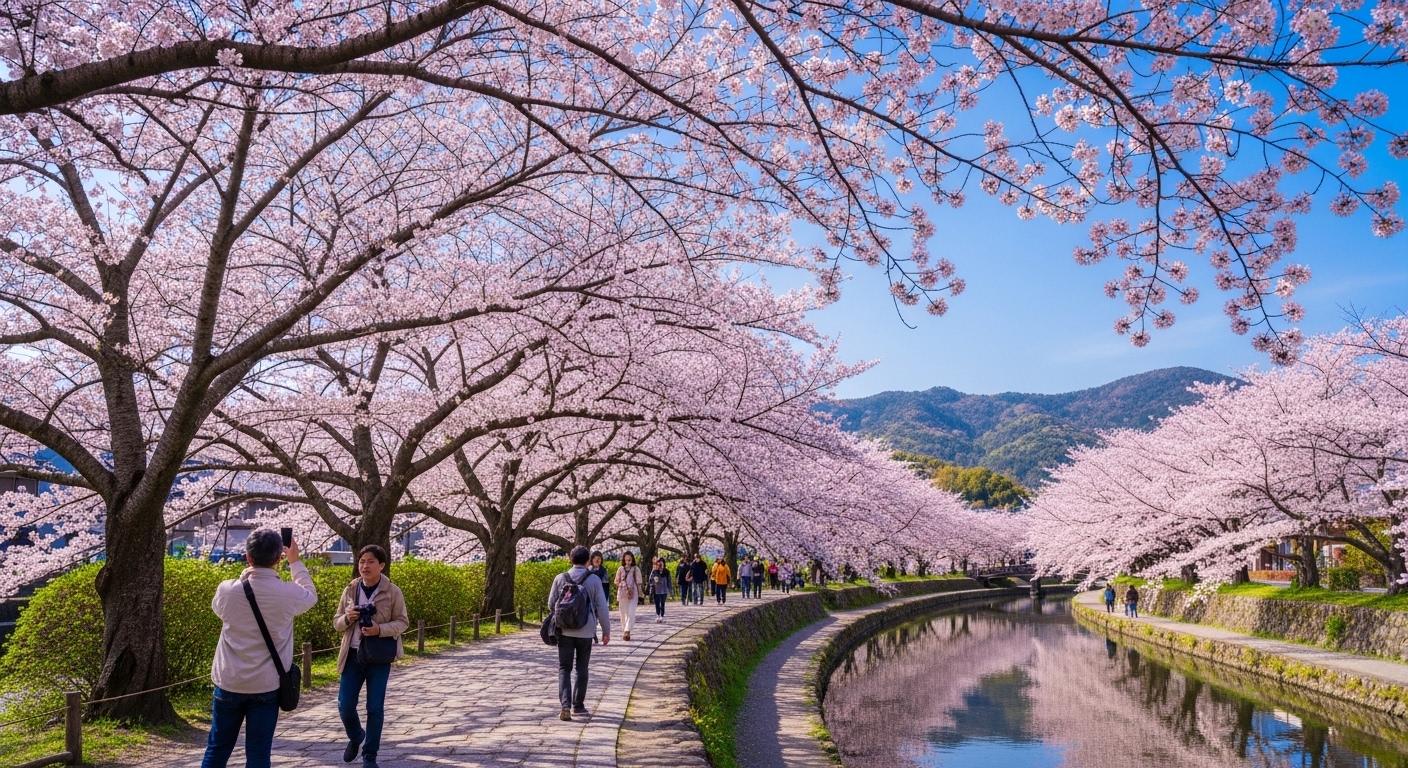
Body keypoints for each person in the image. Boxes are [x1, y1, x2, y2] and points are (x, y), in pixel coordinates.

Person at [203, 528, 318, 768]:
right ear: (279, 558)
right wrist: (295, 562)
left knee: (217, 749)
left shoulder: (227, 590)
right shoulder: (289, 594)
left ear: (247, 556)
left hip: (229, 682)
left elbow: (217, 610)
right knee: (258, 753)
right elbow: (310, 595)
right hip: (267, 685)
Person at [333, 544, 409, 768]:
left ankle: (370, 756)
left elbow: (403, 622)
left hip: (379, 657)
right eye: (361, 561)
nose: (364, 566)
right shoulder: (350, 589)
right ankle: (356, 736)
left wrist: (379, 629)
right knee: (345, 705)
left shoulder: (392, 591)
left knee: (374, 708)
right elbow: (337, 623)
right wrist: (348, 618)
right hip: (352, 655)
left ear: (382, 565)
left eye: (370, 562)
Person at [549, 546, 611, 721]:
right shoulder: (594, 579)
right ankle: (578, 706)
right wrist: (606, 631)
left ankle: (565, 705)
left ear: (571, 559)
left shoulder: (560, 578)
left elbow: (551, 603)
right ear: (588, 561)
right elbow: (601, 607)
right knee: (582, 668)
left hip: (565, 631)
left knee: (564, 668)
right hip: (586, 630)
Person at [614, 551, 642, 641]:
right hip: (622, 593)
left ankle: (627, 630)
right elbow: (616, 581)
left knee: (631, 612)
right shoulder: (620, 569)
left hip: (633, 593)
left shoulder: (636, 569)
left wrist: (640, 593)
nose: (628, 562)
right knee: (623, 613)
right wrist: (622, 584)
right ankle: (624, 630)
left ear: (632, 560)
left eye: (629, 560)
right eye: (626, 560)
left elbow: (639, 583)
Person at [648, 557, 673, 623]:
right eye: (659, 563)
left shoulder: (666, 571)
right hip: (656, 590)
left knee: (662, 603)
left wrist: (670, 591)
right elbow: (650, 580)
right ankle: (658, 615)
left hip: (664, 591)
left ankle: (662, 616)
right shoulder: (654, 571)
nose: (660, 565)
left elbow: (669, 581)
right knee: (657, 603)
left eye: (662, 563)